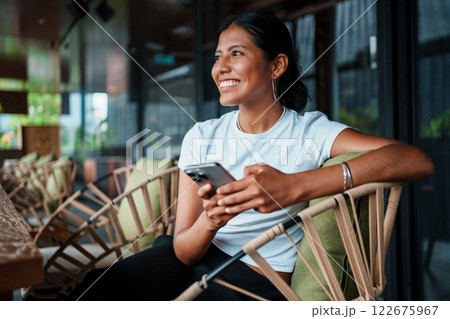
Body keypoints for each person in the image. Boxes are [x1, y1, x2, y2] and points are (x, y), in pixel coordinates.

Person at [69, 12, 434, 301]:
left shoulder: (310, 132)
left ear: (276, 66)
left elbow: (414, 159)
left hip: (255, 279)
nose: (220, 67)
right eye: (217, 56)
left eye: (236, 53)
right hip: (189, 259)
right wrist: (211, 222)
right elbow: (183, 248)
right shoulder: (203, 135)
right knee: (92, 290)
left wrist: (295, 186)